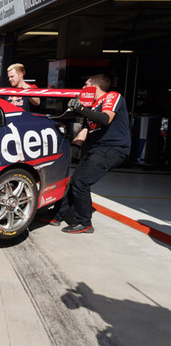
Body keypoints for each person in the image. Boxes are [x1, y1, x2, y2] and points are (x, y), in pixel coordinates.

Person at [46, 74, 131, 234]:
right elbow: (85, 130)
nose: (83, 88)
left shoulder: (112, 96)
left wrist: (82, 109)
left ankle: (84, 222)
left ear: (95, 87)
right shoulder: (92, 107)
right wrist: (72, 149)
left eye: (86, 85)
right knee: (74, 182)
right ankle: (56, 215)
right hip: (97, 148)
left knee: (81, 182)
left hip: (112, 148)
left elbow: (106, 119)